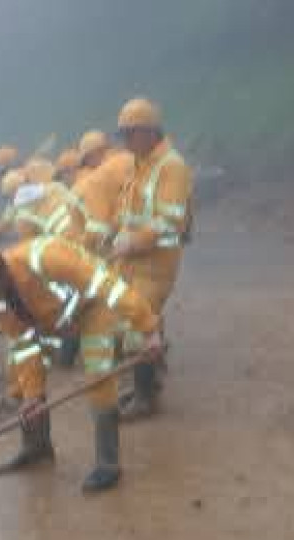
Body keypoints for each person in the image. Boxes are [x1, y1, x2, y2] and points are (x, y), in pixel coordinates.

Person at [0, 240, 163, 492]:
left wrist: (149, 329)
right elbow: (24, 343)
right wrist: (33, 397)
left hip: (92, 308)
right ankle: (37, 447)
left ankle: (108, 464)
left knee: (99, 378)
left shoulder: (45, 259)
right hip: (54, 321)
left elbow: (109, 288)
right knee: (18, 378)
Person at [112, 98, 193, 421]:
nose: (125, 142)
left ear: (148, 132)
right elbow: (128, 204)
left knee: (137, 326)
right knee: (133, 318)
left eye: (129, 135)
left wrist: (133, 241)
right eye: (122, 136)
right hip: (134, 258)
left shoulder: (172, 166)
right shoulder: (141, 161)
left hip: (157, 262)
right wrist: (117, 232)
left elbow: (169, 219)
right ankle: (149, 381)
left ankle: (146, 398)